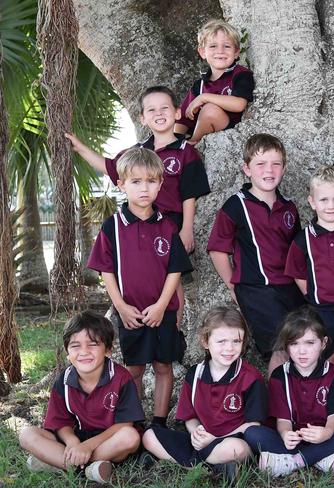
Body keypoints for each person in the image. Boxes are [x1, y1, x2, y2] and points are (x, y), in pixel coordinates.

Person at [87, 147, 193, 429]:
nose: (144, 188)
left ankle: (158, 423)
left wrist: (161, 306)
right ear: (121, 184)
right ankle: (132, 423)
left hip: (163, 311)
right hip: (130, 312)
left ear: (160, 184)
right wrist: (121, 307)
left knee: (163, 366)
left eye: (150, 181)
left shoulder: (168, 226)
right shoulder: (112, 226)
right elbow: (105, 269)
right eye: (136, 182)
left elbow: (175, 270)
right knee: (134, 368)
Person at [66, 85, 210, 254]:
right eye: (151, 110)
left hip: (169, 224)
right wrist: (80, 148)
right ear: (142, 118)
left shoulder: (186, 152)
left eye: (165, 108)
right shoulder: (137, 153)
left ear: (177, 113)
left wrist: (186, 229)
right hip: (138, 221)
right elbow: (109, 167)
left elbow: (189, 194)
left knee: (169, 271)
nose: (159, 113)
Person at [208, 133, 304, 374]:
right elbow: (218, 249)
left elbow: (298, 253)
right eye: (260, 164)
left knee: (301, 347)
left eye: (275, 164)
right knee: (279, 349)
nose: (268, 170)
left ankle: (296, 405)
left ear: (284, 167)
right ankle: (277, 411)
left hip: (289, 289)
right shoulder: (235, 205)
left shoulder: (289, 207)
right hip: (256, 290)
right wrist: (233, 285)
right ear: (247, 169)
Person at [141, 307, 267, 481]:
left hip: (229, 441)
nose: (229, 348)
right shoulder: (195, 374)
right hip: (200, 443)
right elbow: (189, 417)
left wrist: (215, 438)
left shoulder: (251, 377)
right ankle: (215, 469)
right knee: (149, 435)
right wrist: (197, 433)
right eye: (221, 341)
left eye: (236, 341)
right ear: (205, 341)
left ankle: (192, 466)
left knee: (239, 449)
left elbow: (253, 425)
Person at [19, 311, 144, 484]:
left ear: (108, 350)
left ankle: (59, 464)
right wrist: (72, 442)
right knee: (27, 435)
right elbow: (59, 422)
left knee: (130, 437)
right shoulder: (63, 380)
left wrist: (88, 446)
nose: (84, 352)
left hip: (108, 441)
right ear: (67, 352)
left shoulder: (121, 378)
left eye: (92, 344)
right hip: (77, 438)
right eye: (75, 346)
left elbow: (125, 424)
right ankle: (91, 469)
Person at [243, 306, 334, 477]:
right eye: (294, 344)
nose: (302, 351)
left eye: (310, 343)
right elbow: (283, 419)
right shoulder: (280, 375)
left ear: (323, 343)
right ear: (286, 347)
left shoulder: (332, 373)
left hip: (323, 436)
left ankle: (292, 462)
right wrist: (286, 434)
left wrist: (327, 432)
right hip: (292, 440)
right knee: (252, 433)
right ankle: (323, 457)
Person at [284, 165, 334, 404]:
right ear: (312, 202)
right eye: (324, 199)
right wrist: (311, 295)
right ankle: (324, 410)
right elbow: (297, 272)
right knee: (325, 362)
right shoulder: (304, 239)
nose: (330, 206)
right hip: (322, 311)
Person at [175, 18, 254, 143]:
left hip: (230, 133)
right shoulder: (200, 85)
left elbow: (239, 104)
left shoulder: (241, 74)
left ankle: (193, 144)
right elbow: (183, 118)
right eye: (213, 46)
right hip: (207, 133)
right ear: (202, 52)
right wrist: (173, 141)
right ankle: (179, 148)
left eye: (227, 46)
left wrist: (204, 97)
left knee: (210, 109)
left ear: (236, 52)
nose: (220, 51)